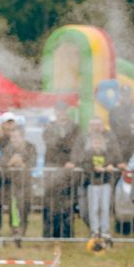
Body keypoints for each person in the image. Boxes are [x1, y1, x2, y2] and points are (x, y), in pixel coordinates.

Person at [41, 102, 82, 238]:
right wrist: (65, 145)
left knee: (68, 203)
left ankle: (67, 233)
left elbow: (77, 146)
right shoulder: (49, 127)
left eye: (63, 110)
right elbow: (51, 143)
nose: (61, 113)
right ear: (56, 112)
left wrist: (73, 161)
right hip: (52, 168)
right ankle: (49, 233)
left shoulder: (75, 127)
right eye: (59, 110)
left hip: (68, 170)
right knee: (50, 202)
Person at [78, 121, 123, 245]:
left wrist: (110, 166)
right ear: (91, 143)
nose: (97, 144)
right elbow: (85, 165)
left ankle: (105, 230)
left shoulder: (106, 154)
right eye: (95, 142)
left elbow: (111, 162)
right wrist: (94, 168)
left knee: (105, 208)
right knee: (93, 208)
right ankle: (94, 230)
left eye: (99, 142)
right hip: (93, 184)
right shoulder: (88, 154)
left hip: (105, 184)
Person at [0, 121, 37, 246]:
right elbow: (2, 164)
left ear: (22, 137)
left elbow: (33, 163)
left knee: (24, 208)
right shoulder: (8, 149)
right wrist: (10, 163)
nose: (14, 140)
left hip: (26, 183)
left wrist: (23, 164)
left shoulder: (30, 147)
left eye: (16, 137)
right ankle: (16, 232)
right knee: (13, 208)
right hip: (12, 183)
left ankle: (22, 230)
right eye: (12, 137)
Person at [109, 86, 134, 157]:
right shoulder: (114, 111)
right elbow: (112, 127)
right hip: (119, 143)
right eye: (123, 95)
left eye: (128, 94)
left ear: (131, 95)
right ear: (120, 96)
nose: (126, 97)